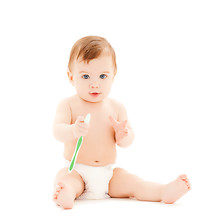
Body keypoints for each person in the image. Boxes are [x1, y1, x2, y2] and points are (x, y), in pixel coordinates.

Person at [53, 36, 191, 209]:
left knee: (133, 182)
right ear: (71, 77)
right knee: (66, 178)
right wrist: (73, 130)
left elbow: (127, 141)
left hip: (108, 174)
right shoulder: (68, 105)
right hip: (78, 170)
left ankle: (163, 191)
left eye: (103, 76)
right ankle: (67, 193)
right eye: (86, 76)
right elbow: (57, 131)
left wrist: (123, 135)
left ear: (113, 76)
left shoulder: (117, 107)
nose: (95, 84)